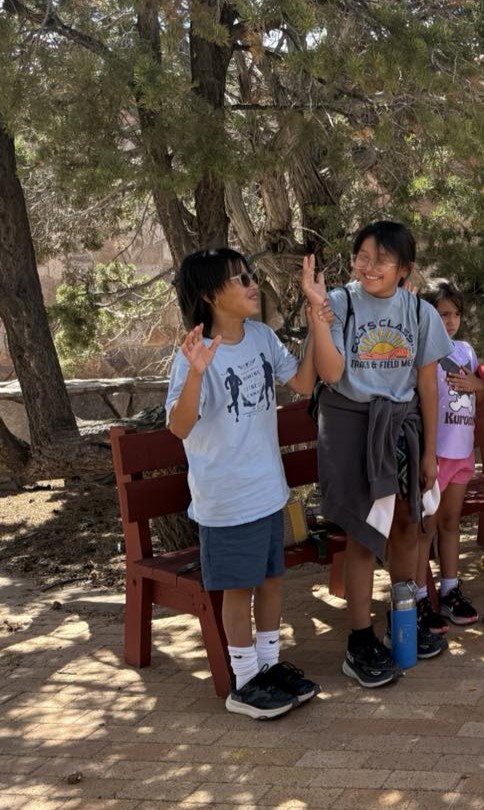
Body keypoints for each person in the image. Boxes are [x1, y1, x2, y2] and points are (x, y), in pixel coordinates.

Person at [165, 247, 328, 719]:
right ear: (209, 295)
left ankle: (269, 667)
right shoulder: (193, 353)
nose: (251, 283)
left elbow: (301, 382)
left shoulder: (259, 336)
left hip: (268, 490)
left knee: (272, 580)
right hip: (227, 499)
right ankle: (244, 682)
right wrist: (197, 372)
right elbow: (179, 426)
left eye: (249, 274)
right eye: (239, 279)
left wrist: (318, 318)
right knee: (239, 588)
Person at [310, 221, 453, 688]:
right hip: (352, 425)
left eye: (382, 259)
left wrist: (431, 450)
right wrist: (315, 310)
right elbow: (329, 373)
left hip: (401, 428)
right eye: (363, 256)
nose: (369, 267)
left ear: (404, 269)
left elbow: (429, 384)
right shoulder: (338, 303)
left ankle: (403, 617)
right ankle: (358, 640)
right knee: (362, 531)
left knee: (409, 523)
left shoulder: (419, 313)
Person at [416, 280, 484, 631]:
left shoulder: (466, 351)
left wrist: (479, 385)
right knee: (425, 527)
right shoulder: (421, 351)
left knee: (451, 521)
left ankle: (449, 589)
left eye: (456, 313)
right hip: (436, 454)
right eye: (443, 314)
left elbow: (480, 389)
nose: (451, 320)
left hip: (462, 453)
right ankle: (418, 597)